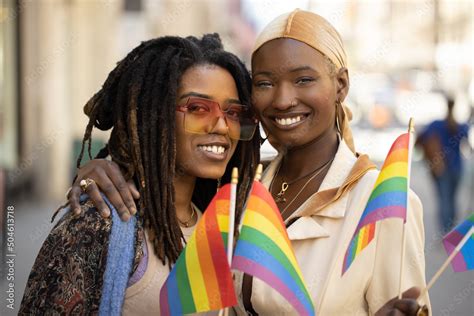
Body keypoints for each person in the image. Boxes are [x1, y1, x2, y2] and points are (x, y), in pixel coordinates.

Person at [68, 10, 430, 315]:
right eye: (265, 83)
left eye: (303, 79)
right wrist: (105, 171)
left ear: (340, 85)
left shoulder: (382, 205)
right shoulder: (234, 188)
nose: (284, 100)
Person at [19, 33, 260, 314]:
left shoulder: (222, 224)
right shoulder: (100, 225)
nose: (221, 126)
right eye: (197, 108)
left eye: (233, 112)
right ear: (155, 116)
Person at [416, 96, 470, 233]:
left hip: (441, 168)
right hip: (457, 168)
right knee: (452, 199)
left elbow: (420, 139)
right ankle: (451, 229)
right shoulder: (461, 126)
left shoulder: (436, 124)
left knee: (443, 199)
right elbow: (469, 147)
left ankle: (446, 230)